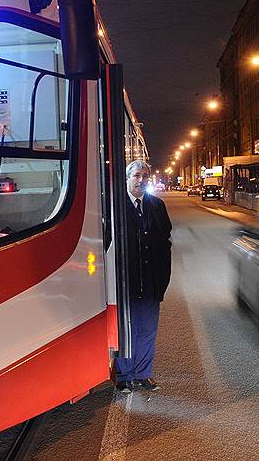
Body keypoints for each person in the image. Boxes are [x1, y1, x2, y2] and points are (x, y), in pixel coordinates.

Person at [115, 159, 173, 394]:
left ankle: (142, 374)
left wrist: (163, 278)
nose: (141, 180)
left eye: (145, 176)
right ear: (128, 178)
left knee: (148, 329)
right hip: (125, 282)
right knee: (126, 328)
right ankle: (123, 375)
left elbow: (164, 241)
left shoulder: (157, 205)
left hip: (151, 281)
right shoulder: (115, 205)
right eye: (137, 175)